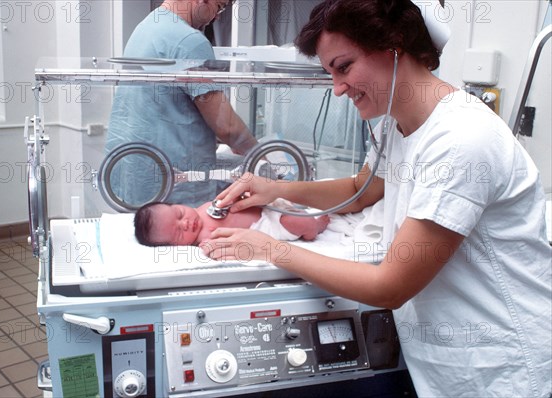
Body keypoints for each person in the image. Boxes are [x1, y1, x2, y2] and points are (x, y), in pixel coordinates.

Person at [200, 0, 552, 396]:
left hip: (506, 368)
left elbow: (391, 286)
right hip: (447, 365)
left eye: (344, 67)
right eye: (330, 73)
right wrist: (277, 190)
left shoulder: (461, 140)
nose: (337, 89)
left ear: (395, 42)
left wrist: (270, 249)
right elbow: (359, 190)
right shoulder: (396, 125)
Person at [106, 0, 257, 208]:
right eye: (219, 6)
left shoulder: (146, 27)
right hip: (174, 185)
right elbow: (226, 125)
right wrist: (258, 153)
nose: (218, 16)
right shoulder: (190, 41)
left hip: (135, 174)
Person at [133, 199, 330, 246]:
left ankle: (308, 206)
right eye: (178, 233)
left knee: (289, 199)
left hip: (266, 207)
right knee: (297, 221)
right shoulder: (204, 239)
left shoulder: (200, 209)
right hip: (268, 227)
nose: (185, 223)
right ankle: (315, 227)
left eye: (178, 213)